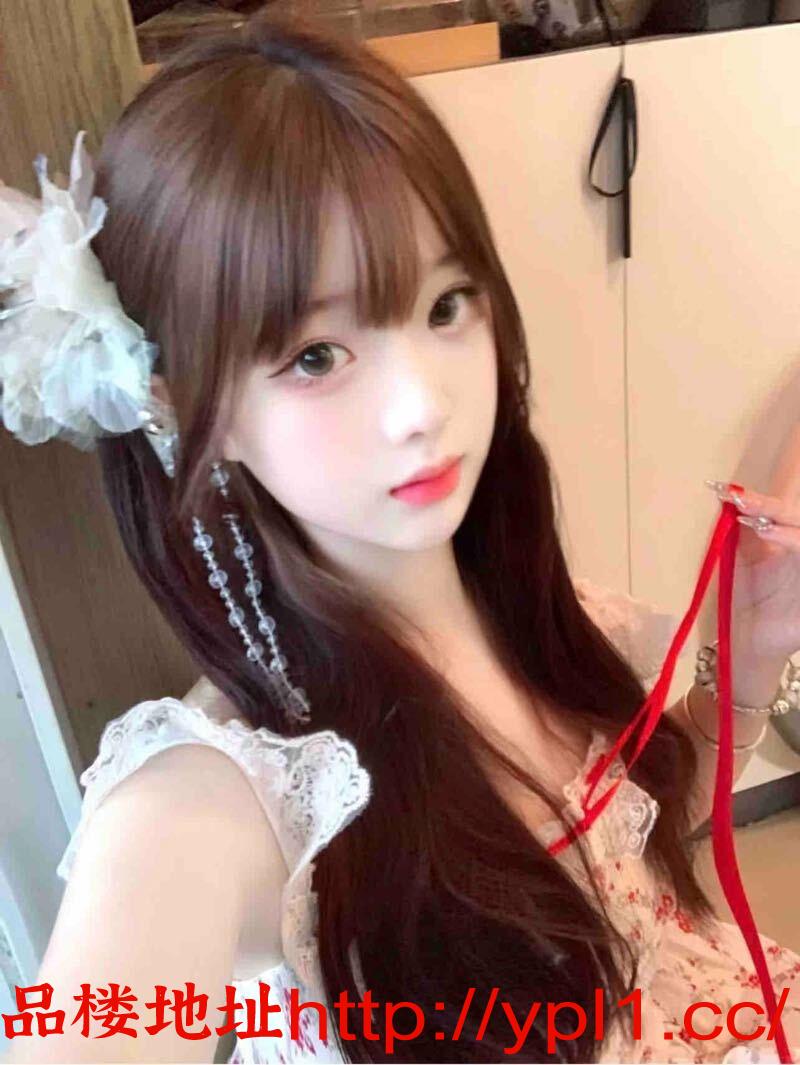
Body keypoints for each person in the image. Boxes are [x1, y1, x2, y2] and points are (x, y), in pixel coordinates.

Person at [1, 12, 799, 1064]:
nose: (423, 403)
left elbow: (631, 863)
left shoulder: (533, 608)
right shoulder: (220, 798)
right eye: (316, 355)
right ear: (187, 403)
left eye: (444, 304)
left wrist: (750, 655)